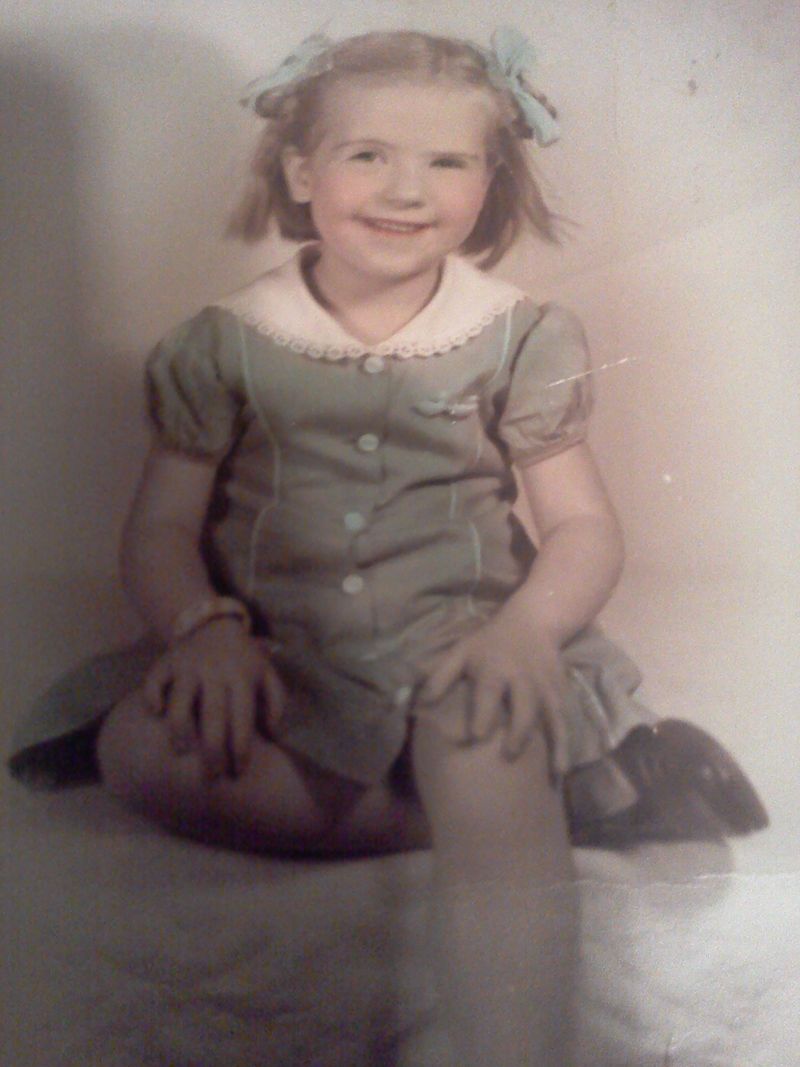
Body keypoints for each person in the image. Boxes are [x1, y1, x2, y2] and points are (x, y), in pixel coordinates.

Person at [8, 27, 767, 1066]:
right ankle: (578, 805)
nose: (407, 189)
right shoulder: (223, 342)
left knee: (482, 735)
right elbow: (161, 528)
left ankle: (510, 1048)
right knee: (139, 750)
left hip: (464, 642)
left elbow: (582, 526)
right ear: (299, 171)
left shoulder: (518, 334)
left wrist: (525, 633)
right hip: (286, 652)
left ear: (490, 182)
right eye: (368, 154)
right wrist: (201, 629)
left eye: (447, 161)